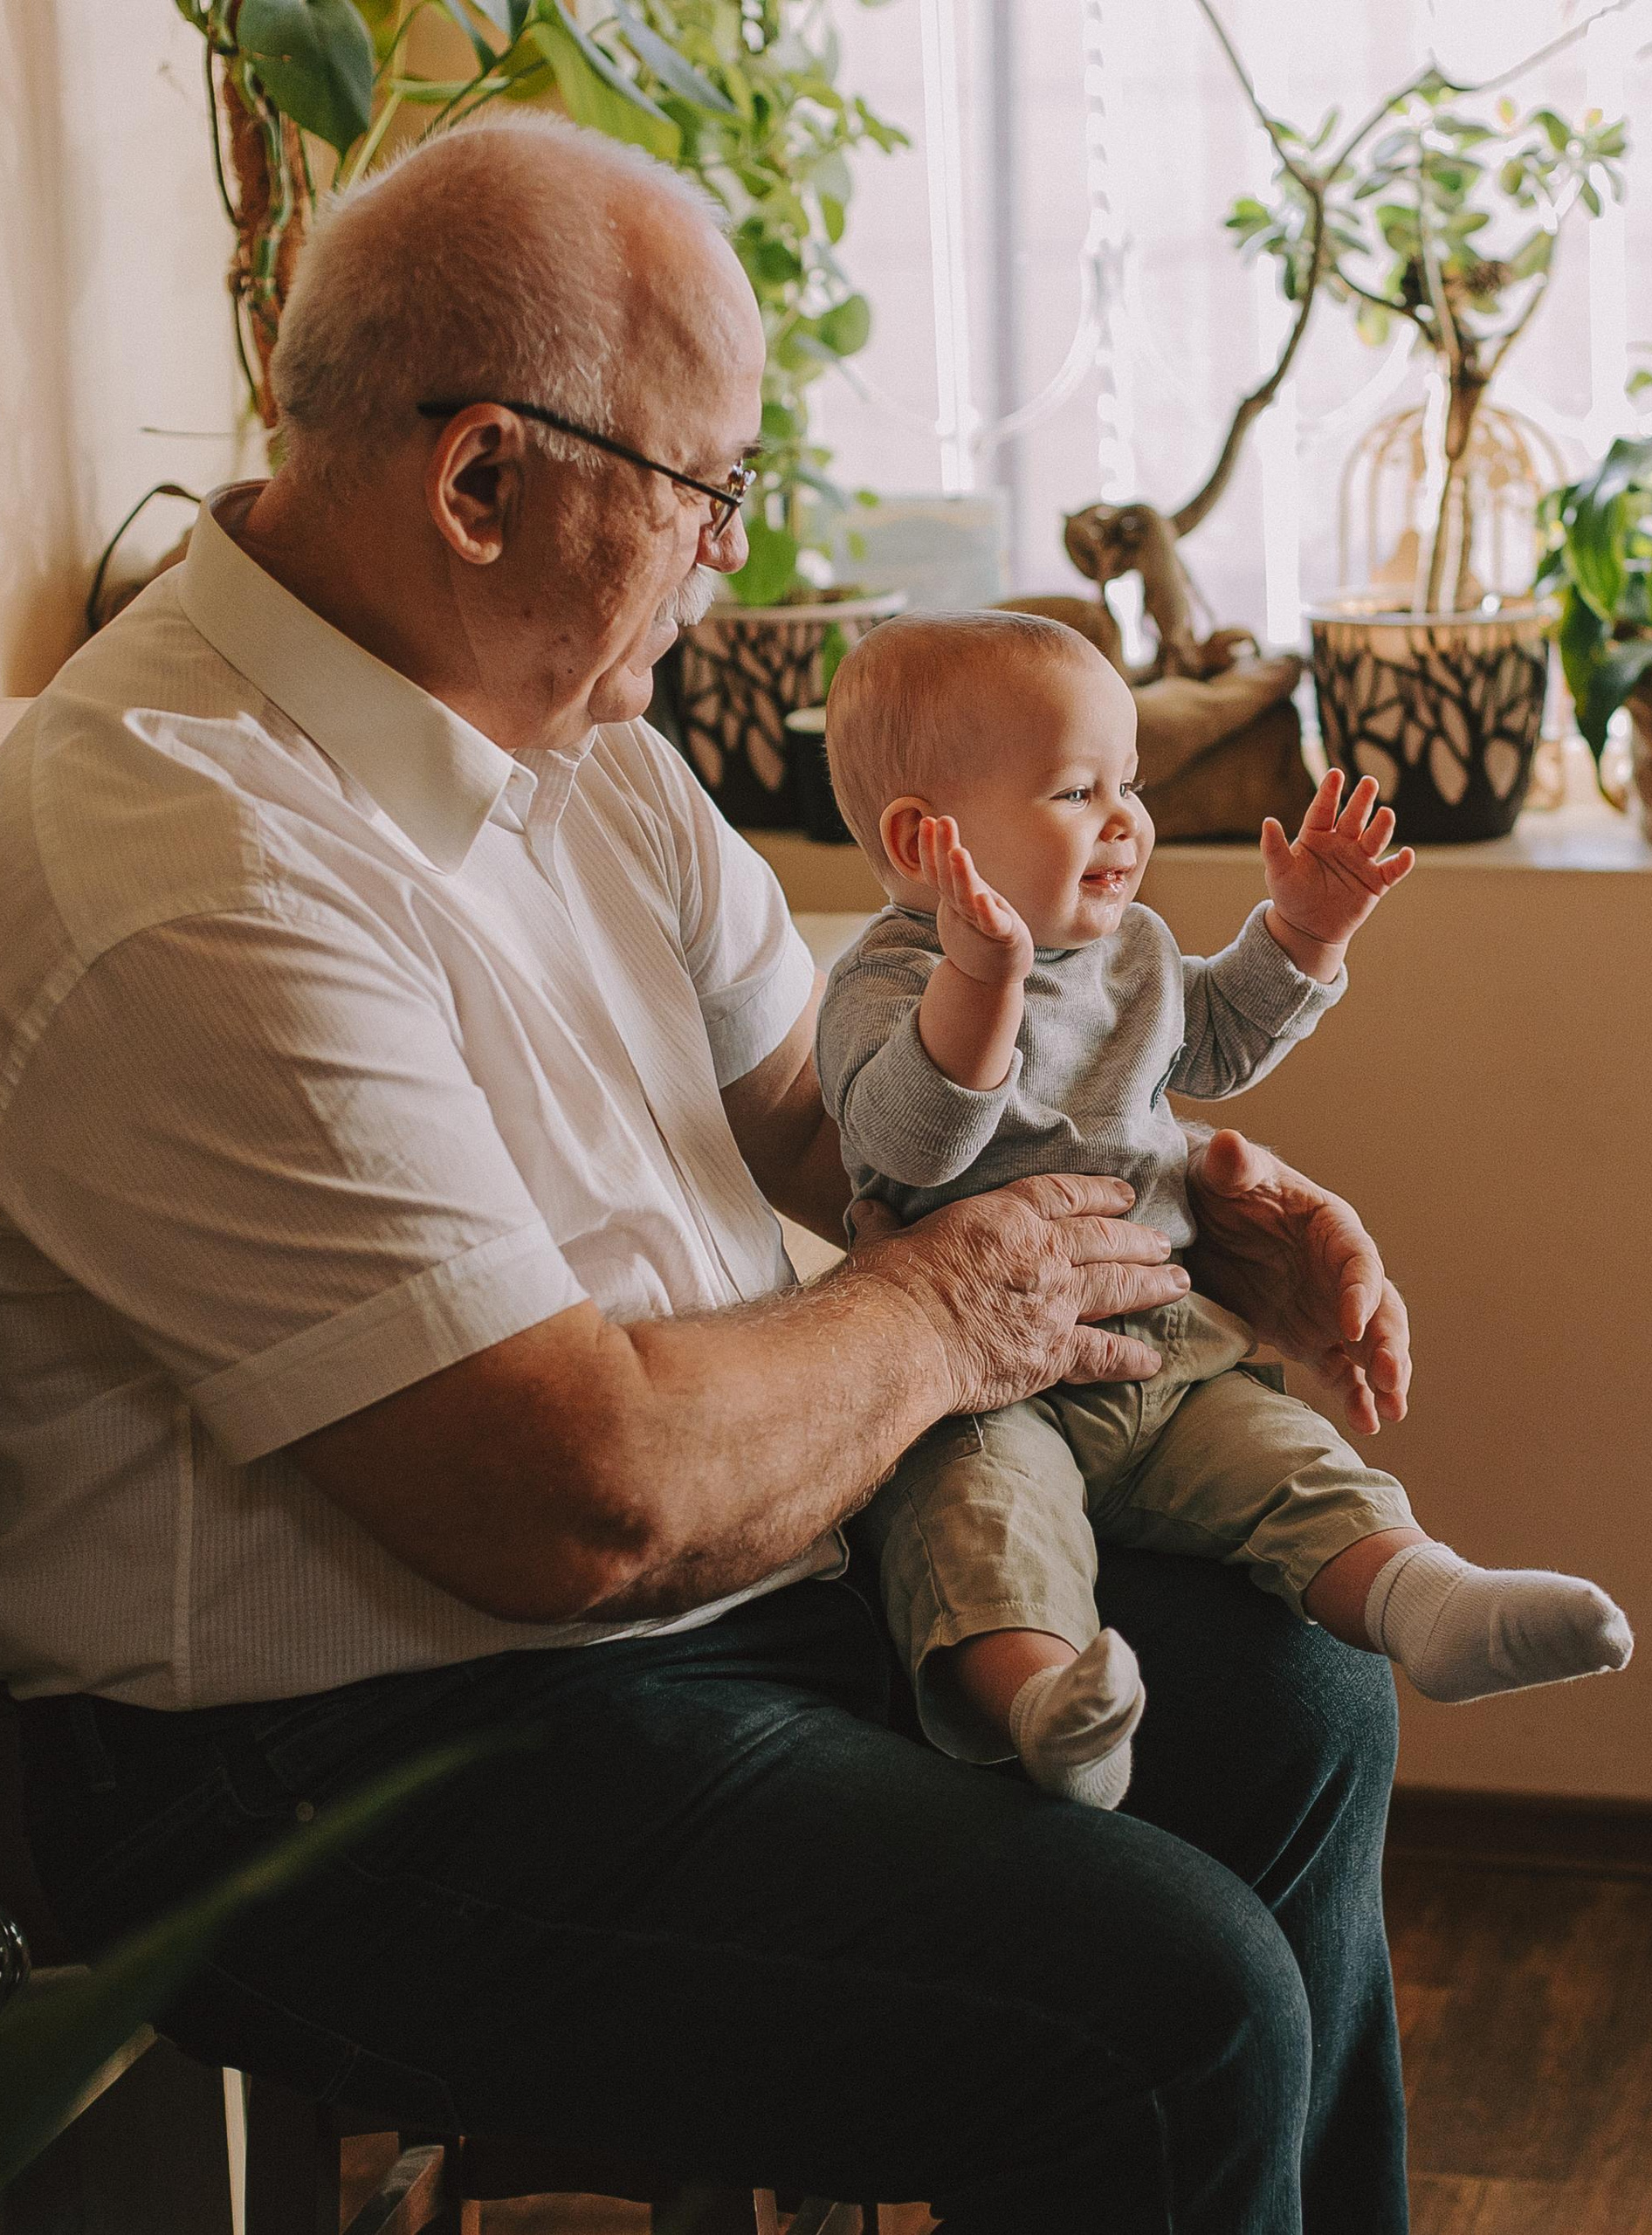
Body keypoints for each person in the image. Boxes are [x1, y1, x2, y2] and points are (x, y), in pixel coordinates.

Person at [0, 113, 1428, 2233]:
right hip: (348, 1756)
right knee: (1165, 2009)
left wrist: (1192, 1186)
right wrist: (949, 1311)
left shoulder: (589, 752)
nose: (728, 564)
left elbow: (852, 1132)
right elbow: (579, 1497)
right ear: (482, 478)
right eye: (705, 493)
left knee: (1298, 1695)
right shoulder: (181, 861)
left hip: (735, 1586)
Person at [817, 611, 1635, 1807]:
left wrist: (1304, 930)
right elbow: (906, 1140)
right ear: (923, 838)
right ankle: (1052, 1707)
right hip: (987, 1391)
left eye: (1130, 785)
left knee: (1299, 1465)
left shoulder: (1131, 953)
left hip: (1171, 1356)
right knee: (976, 1533)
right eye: (1076, 790)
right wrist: (978, 986)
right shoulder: (886, 982)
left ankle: (1430, 1601)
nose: (1125, 820)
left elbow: (1220, 1039)